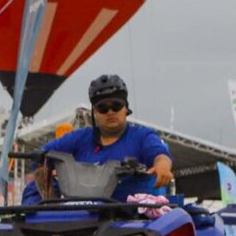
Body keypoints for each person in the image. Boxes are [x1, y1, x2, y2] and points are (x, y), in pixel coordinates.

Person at [35, 74, 175, 202]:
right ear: (95, 112)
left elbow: (159, 154)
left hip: (136, 220)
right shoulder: (80, 138)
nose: (110, 112)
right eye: (103, 108)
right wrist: (51, 202)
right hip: (88, 219)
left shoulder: (143, 136)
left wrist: (162, 167)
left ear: (126, 108)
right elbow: (40, 156)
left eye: (116, 106)